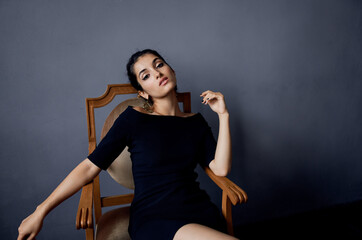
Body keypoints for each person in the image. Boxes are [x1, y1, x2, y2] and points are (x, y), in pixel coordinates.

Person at [18, 49, 237, 240]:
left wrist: (223, 115)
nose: (157, 73)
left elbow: (220, 168)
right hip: (155, 217)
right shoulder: (133, 119)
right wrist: (41, 211)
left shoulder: (195, 122)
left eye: (159, 65)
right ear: (142, 92)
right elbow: (89, 167)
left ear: (172, 71)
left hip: (198, 210)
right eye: (146, 75)